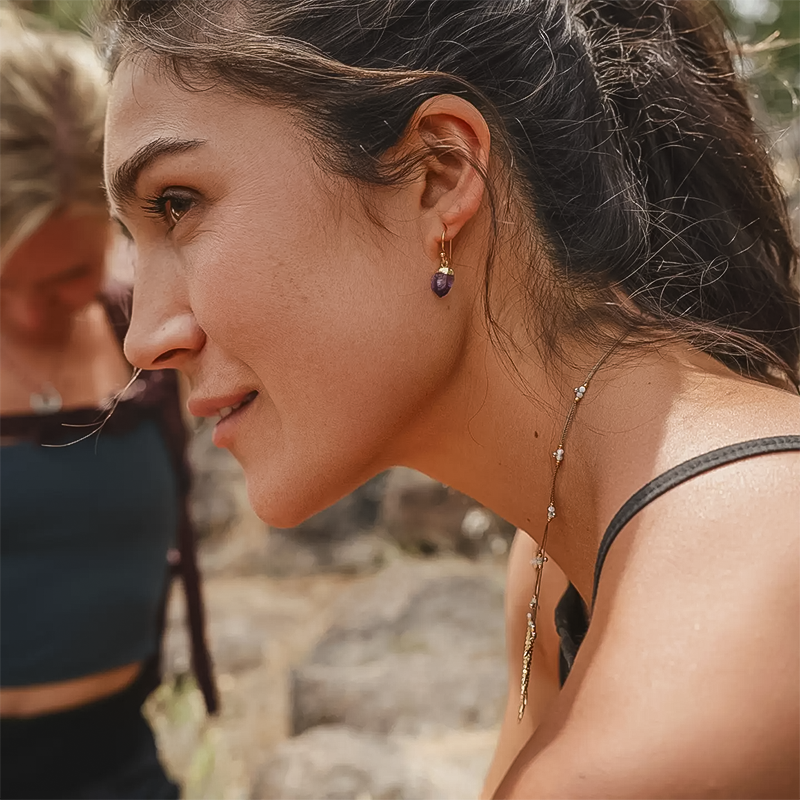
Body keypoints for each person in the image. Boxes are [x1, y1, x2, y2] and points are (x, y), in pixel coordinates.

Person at [98, 0, 799, 797]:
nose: (146, 338)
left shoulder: (730, 607)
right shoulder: (554, 562)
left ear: (439, 175)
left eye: (177, 205)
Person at [0, 11, 217, 799]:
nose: (38, 312)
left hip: (119, 763)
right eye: (8, 283)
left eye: (70, 275)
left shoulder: (145, 333)